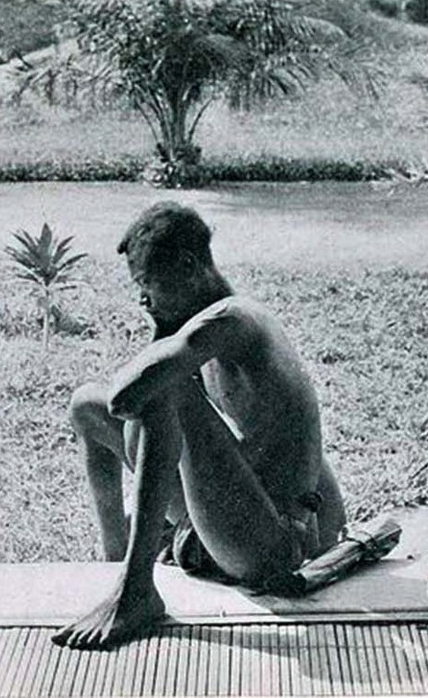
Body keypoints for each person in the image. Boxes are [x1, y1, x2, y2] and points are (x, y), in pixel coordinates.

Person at [57, 201, 346, 650]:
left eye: (148, 284)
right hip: (236, 522)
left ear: (189, 266)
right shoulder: (201, 332)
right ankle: (116, 565)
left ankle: (137, 591)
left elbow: (129, 394)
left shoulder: (233, 321)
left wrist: (162, 340)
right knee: (85, 407)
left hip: (274, 544)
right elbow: (115, 408)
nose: (143, 300)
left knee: (163, 390)